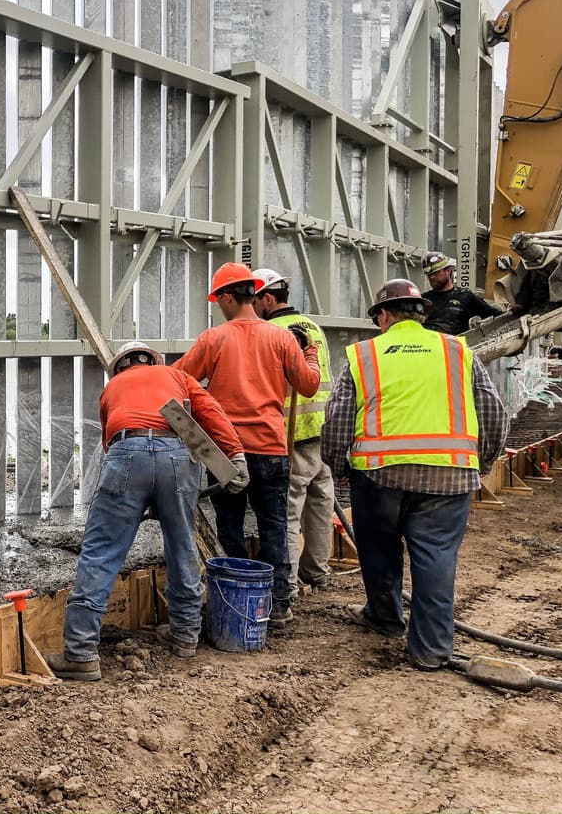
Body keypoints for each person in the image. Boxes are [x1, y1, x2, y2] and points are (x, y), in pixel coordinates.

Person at [322, 278, 508, 671]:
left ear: (383, 316)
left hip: (378, 477)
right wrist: (483, 462)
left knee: (378, 550)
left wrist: (338, 467)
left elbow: (337, 420)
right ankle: (431, 650)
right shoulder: (459, 351)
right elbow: (493, 413)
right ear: (422, 313)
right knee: (437, 558)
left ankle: (386, 617)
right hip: (450, 476)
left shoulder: (363, 355)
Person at [45, 342, 248, 680]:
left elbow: (111, 443)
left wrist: (134, 497)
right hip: (177, 454)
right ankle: (185, 635)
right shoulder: (176, 375)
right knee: (182, 544)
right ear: (154, 360)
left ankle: (80, 652)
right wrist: (236, 456)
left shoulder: (112, 388)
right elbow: (210, 412)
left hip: (127, 453)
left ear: (120, 367)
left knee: (101, 552)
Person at [174, 263, 320, 628]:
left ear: (226, 297)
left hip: (226, 451)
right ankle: (279, 604)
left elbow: (177, 380)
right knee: (274, 526)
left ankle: (236, 598)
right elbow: (309, 385)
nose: (217, 306)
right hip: (271, 448)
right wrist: (312, 353)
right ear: (252, 294)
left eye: (217, 299)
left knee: (230, 525)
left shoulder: (215, 338)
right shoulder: (281, 338)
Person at [251, 268, 336, 594]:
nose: (253, 307)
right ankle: (317, 572)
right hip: (322, 430)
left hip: (291, 432)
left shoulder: (269, 331)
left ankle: (286, 583)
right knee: (321, 503)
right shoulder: (313, 327)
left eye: (255, 301)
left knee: (287, 512)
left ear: (267, 299)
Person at [420, 251, 504, 336]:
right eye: (429, 275)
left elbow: (494, 314)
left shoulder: (465, 296)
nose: (431, 277)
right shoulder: (423, 300)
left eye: (435, 273)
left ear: (448, 270)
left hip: (454, 346)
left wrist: (513, 312)